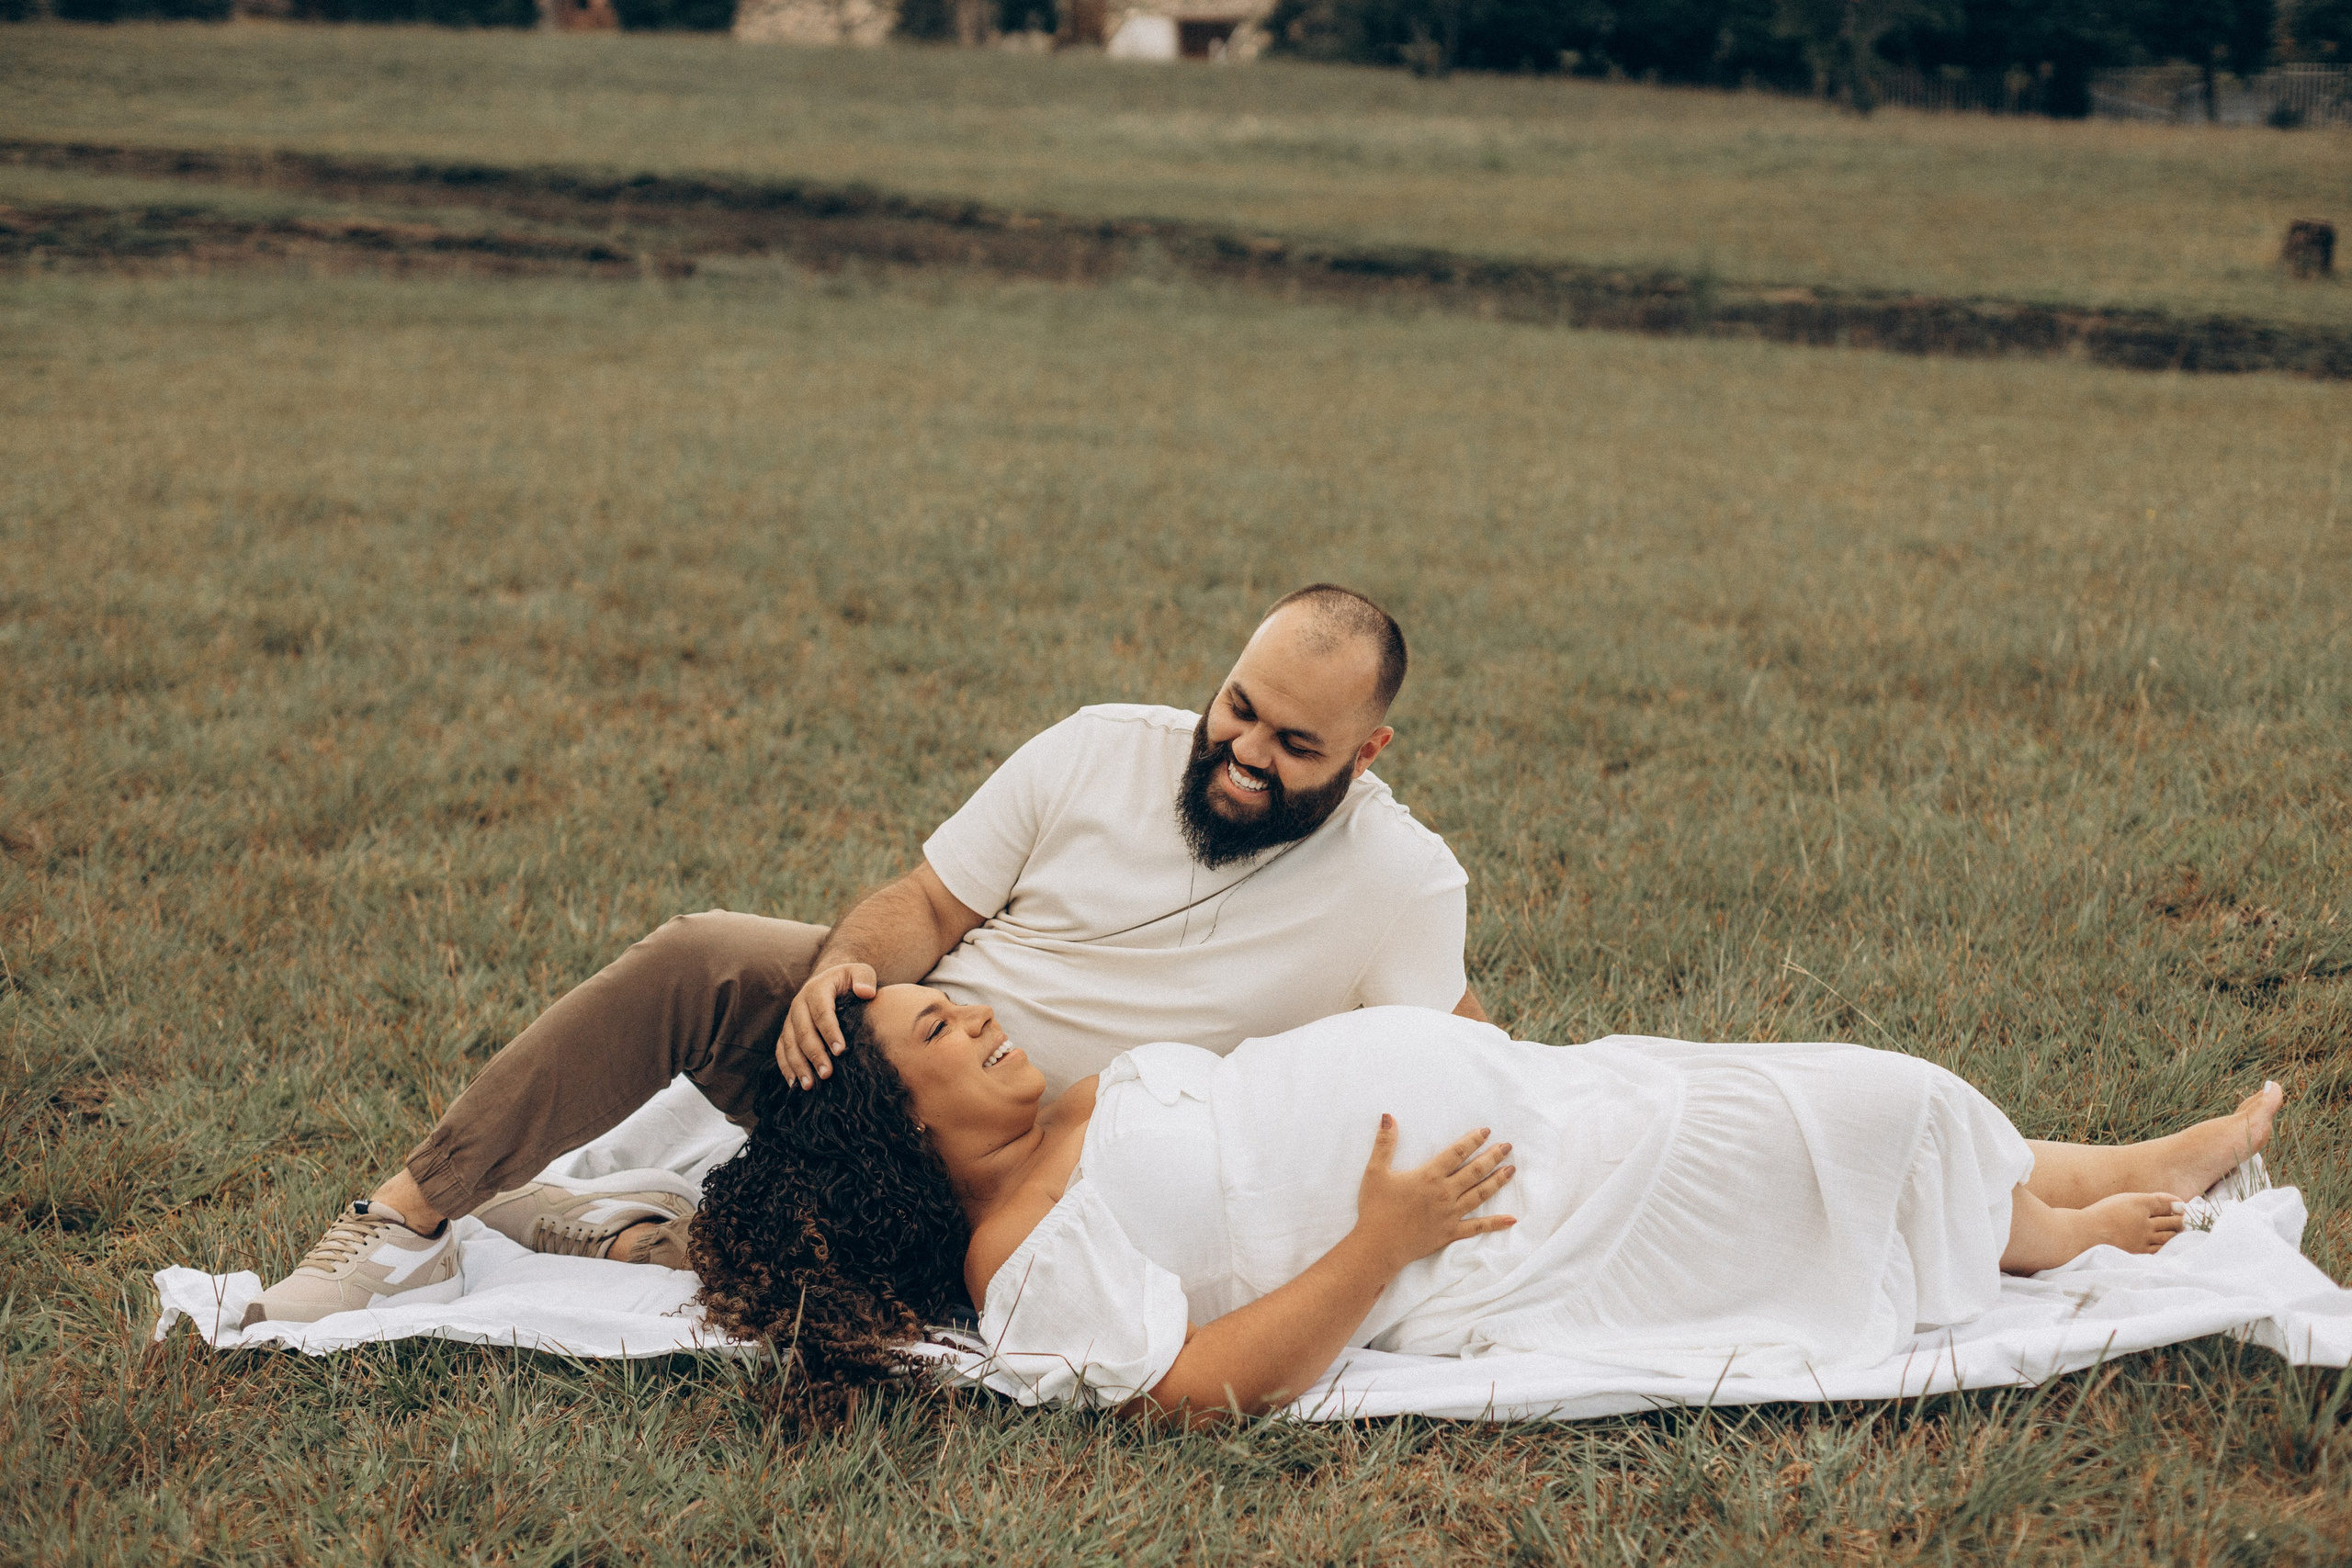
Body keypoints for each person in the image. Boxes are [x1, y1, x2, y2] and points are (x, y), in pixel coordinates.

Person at [247, 585, 1482, 1325]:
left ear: (1368, 752)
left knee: (910, 1298)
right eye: (1238, 708)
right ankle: (397, 1220)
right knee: (709, 955)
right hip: (911, 1054)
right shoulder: (1100, 747)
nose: (1244, 752)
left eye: (1294, 745)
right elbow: (926, 906)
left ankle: (634, 1238)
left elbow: (1453, 1054)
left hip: (1058, 1170)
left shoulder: (1403, 883)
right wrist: (848, 972)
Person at [688, 984, 2288, 1421]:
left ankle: (2103, 1177)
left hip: (1551, 1103)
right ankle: (2060, 1220)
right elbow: (1188, 1393)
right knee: (1862, 1115)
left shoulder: (1082, 1107)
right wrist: (1382, 1244)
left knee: (1872, 1090)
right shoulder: (1022, 1256)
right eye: (934, 1035)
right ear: (899, 1126)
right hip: (1512, 1230)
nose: (972, 1017)